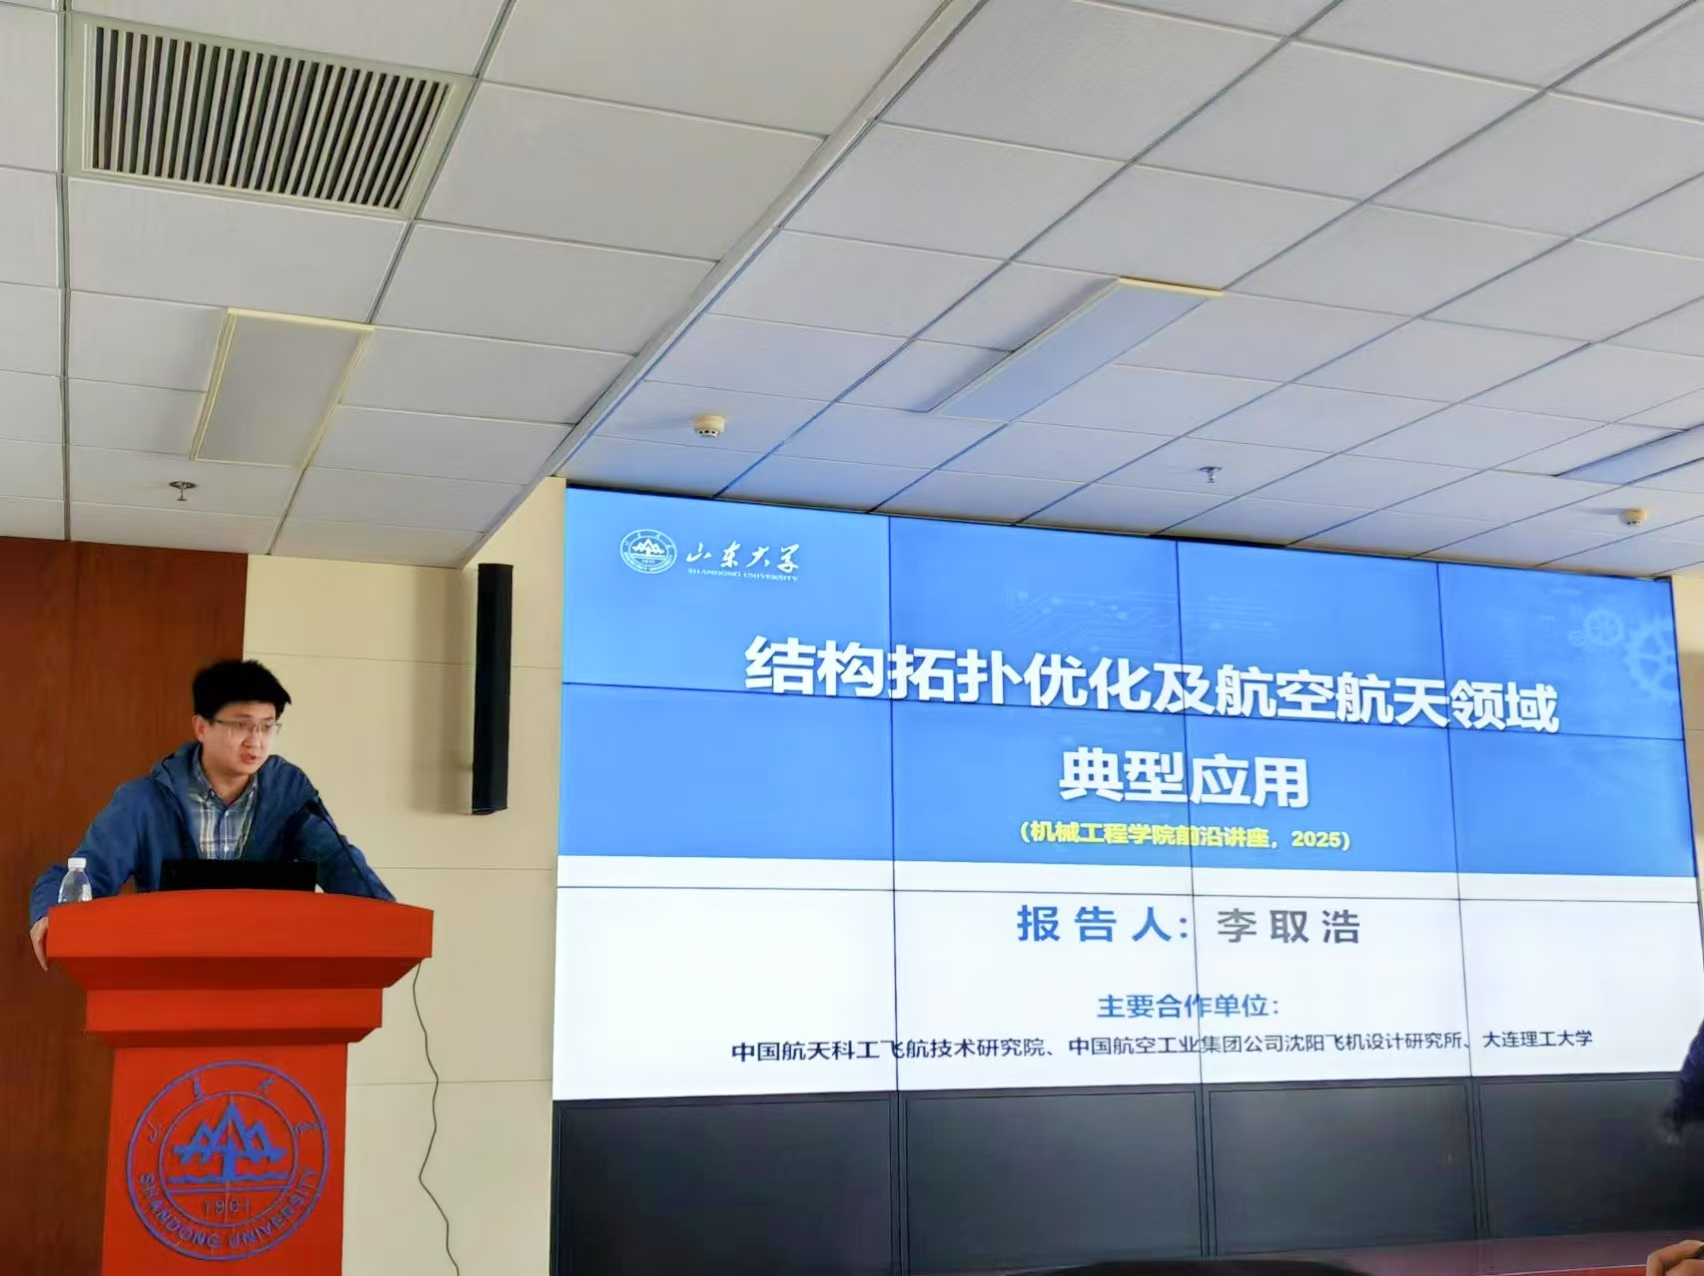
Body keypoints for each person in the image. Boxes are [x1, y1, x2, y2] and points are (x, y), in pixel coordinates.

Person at [26, 658, 391, 969]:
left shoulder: (290, 798)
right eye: (241, 725)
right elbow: (83, 874)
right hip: (165, 979)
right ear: (201, 727)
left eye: (267, 726)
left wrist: (392, 922)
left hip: (264, 982)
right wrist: (51, 913)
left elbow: (339, 862)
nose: (256, 741)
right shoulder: (144, 802)